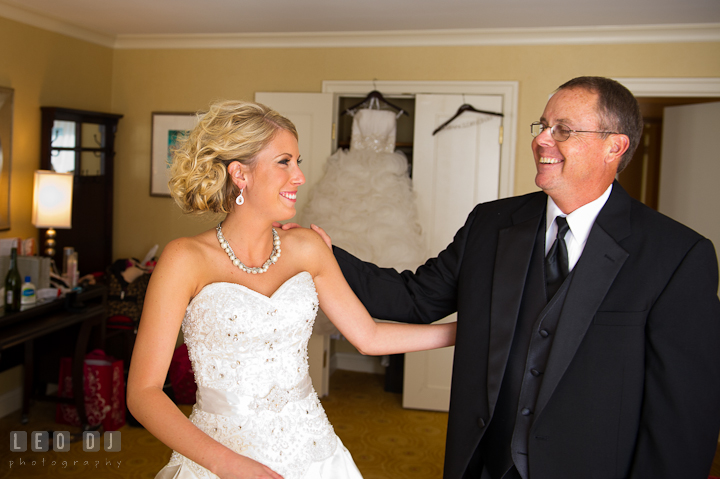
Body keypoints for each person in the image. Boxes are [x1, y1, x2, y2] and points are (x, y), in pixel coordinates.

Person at [301, 77, 720, 478]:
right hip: (485, 463)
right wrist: (319, 252)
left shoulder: (678, 256)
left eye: (563, 129)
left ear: (614, 146)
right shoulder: (491, 223)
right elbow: (413, 298)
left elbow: (682, 419)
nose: (541, 139)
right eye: (543, 125)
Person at [126, 100, 456, 479]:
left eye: (298, 161)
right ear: (240, 174)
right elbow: (143, 393)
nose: (299, 176)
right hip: (220, 458)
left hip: (315, 452)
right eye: (284, 162)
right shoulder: (184, 259)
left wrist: (465, 332)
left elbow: (370, 337)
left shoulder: (308, 247)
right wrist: (228, 465)